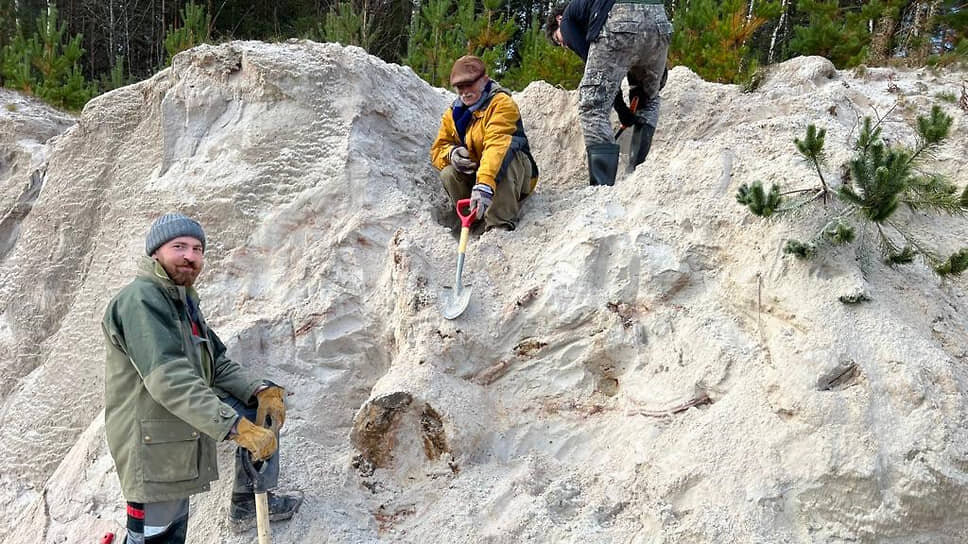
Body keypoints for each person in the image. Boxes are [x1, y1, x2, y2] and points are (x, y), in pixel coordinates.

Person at [102, 213, 303, 542]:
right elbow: (169, 379)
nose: (190, 256)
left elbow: (216, 363)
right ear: (155, 253)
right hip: (152, 442)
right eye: (179, 246)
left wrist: (260, 390)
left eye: (197, 249)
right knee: (158, 534)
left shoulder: (182, 301)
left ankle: (247, 505)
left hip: (176, 429)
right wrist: (233, 425)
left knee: (258, 411)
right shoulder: (141, 300)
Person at [546, 0, 672, 185]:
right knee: (647, 97)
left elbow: (599, 77)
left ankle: (602, 188)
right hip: (659, 19)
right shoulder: (589, 7)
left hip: (623, 18)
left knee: (592, 106)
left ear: (559, 19)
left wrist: (621, 109)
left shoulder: (567, 21)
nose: (565, 46)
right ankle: (636, 172)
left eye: (559, 40)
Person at [430, 55, 539, 231]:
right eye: (460, 87)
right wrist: (451, 154)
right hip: (480, 175)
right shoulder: (454, 113)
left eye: (470, 84)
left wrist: (484, 184)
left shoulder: (501, 104)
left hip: (513, 173)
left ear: (484, 81)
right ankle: (472, 218)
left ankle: (499, 223)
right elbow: (438, 148)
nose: (465, 91)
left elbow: (497, 147)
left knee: (506, 159)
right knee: (448, 173)